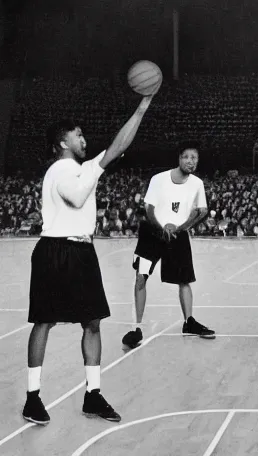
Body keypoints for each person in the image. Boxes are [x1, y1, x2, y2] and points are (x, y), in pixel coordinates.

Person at [22, 92, 158, 426]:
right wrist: (98, 168)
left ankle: (93, 395)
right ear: (62, 142)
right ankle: (32, 397)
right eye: (78, 135)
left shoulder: (82, 168)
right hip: (55, 249)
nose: (84, 139)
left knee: (93, 322)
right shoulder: (61, 170)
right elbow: (79, 195)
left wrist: (142, 107)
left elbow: (116, 146)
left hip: (82, 250)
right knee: (44, 321)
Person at [122, 142, 214, 349]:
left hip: (178, 235)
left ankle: (189, 322)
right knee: (140, 277)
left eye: (194, 158)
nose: (191, 161)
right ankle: (136, 327)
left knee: (185, 280)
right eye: (187, 157)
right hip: (152, 234)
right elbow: (149, 208)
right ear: (179, 158)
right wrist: (161, 228)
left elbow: (202, 210)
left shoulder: (197, 183)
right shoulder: (159, 179)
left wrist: (182, 228)